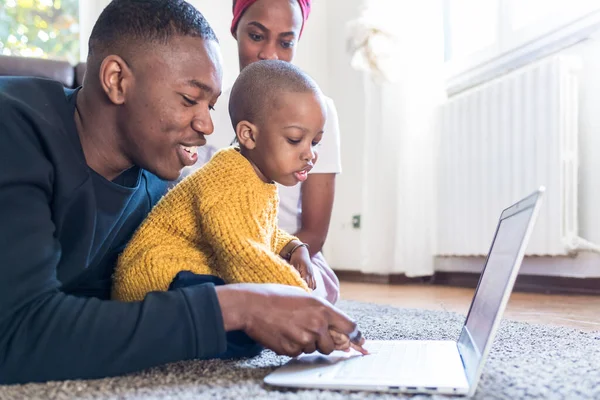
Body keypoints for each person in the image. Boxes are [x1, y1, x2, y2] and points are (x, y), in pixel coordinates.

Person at [0, 0, 365, 385]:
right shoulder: (15, 128)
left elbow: (110, 310)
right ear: (116, 80)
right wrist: (240, 306)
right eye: (190, 99)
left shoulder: (155, 185)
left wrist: (286, 260)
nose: (207, 125)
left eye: (210, 104)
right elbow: (18, 337)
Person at [112, 60, 325, 302]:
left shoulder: (256, 177)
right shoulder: (228, 180)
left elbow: (259, 231)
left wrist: (294, 247)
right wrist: (304, 301)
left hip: (186, 273)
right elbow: (244, 256)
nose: (310, 154)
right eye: (295, 139)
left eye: (315, 142)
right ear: (249, 135)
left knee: (250, 314)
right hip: (157, 277)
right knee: (244, 313)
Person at [181, 0, 341, 304]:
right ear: (236, 30)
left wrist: (268, 261)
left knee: (302, 291)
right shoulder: (206, 110)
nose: (270, 54)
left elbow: (315, 233)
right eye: (256, 36)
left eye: (285, 42)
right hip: (215, 248)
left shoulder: (319, 112)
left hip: (285, 253)